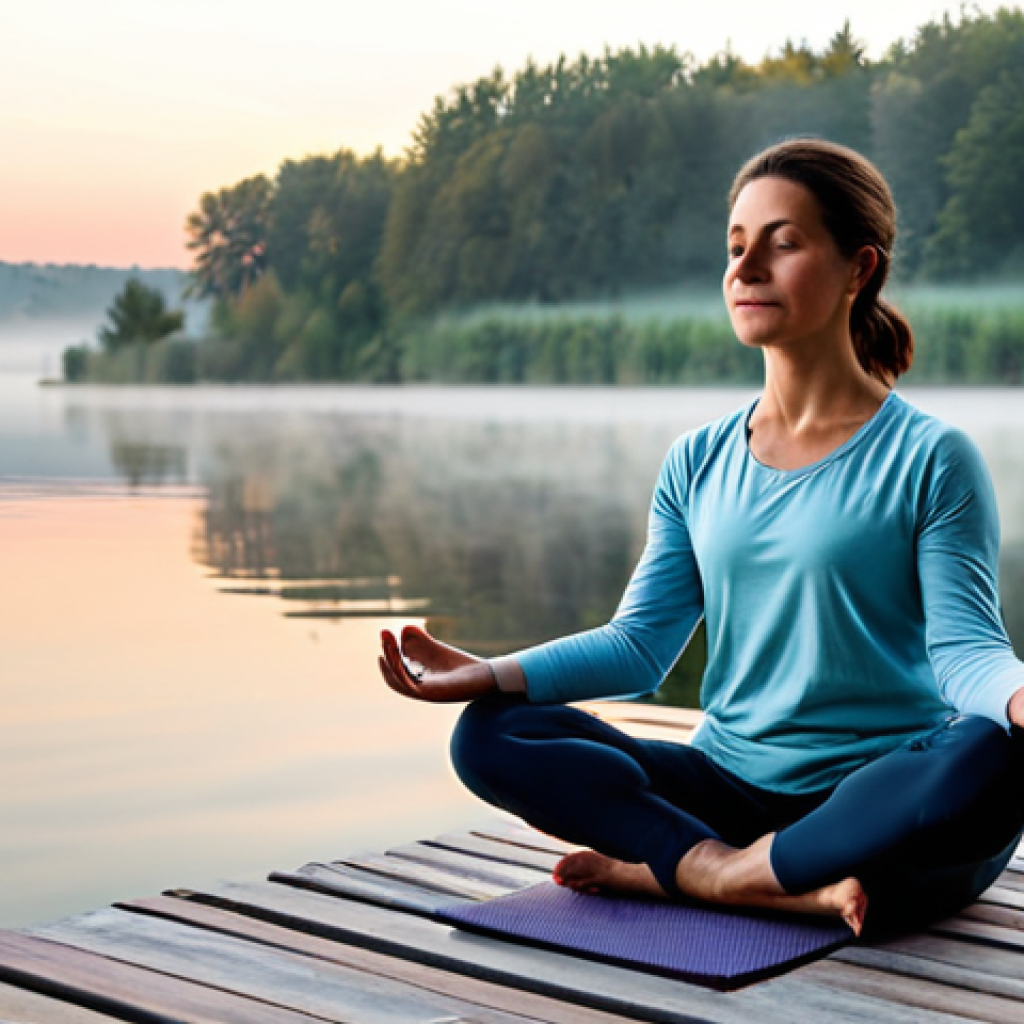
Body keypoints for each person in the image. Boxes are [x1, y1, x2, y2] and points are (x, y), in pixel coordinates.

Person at [377, 139, 1024, 938]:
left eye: (782, 244)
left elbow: (966, 654)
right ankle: (726, 873)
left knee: (996, 756)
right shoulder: (698, 459)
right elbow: (642, 646)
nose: (746, 267)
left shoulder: (930, 457)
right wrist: (489, 672)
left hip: (877, 799)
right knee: (492, 731)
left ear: (859, 269)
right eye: (735, 246)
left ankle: (701, 870)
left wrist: (1018, 693)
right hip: (728, 783)